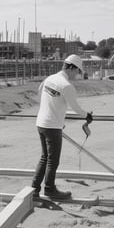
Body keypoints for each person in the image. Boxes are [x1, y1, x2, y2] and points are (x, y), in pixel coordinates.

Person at [32, 54, 93, 199]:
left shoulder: (50, 79)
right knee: (52, 160)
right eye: (77, 71)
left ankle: (34, 189)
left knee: (44, 158)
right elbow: (77, 109)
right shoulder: (66, 86)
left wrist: (54, 113)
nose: (77, 75)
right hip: (52, 127)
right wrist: (87, 116)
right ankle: (49, 189)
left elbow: (40, 94)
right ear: (72, 68)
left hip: (41, 123)